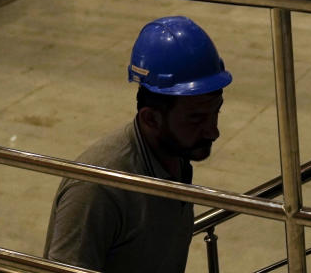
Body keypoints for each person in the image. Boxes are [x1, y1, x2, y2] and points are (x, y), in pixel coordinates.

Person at [44, 16, 232, 273]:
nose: (213, 131)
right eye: (196, 119)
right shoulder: (96, 188)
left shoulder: (175, 156)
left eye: (215, 113)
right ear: (151, 119)